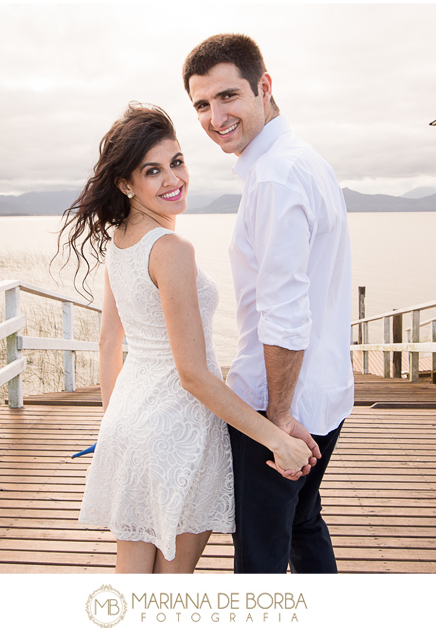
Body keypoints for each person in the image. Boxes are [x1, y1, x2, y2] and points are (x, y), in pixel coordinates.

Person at [57, 103, 316, 574]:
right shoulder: (171, 249)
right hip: (178, 431)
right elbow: (194, 374)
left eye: (176, 162)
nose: (173, 179)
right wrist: (276, 439)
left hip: (130, 422)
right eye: (152, 171)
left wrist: (113, 427)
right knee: (171, 587)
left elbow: (107, 343)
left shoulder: (120, 241)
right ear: (125, 184)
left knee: (134, 582)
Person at [183, 34, 354, 573]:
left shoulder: (276, 177)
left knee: (259, 554)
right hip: (324, 393)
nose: (215, 117)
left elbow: (283, 311)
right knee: (304, 523)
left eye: (228, 96)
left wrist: (276, 418)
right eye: (202, 106)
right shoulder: (303, 161)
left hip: (280, 403)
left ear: (264, 87)